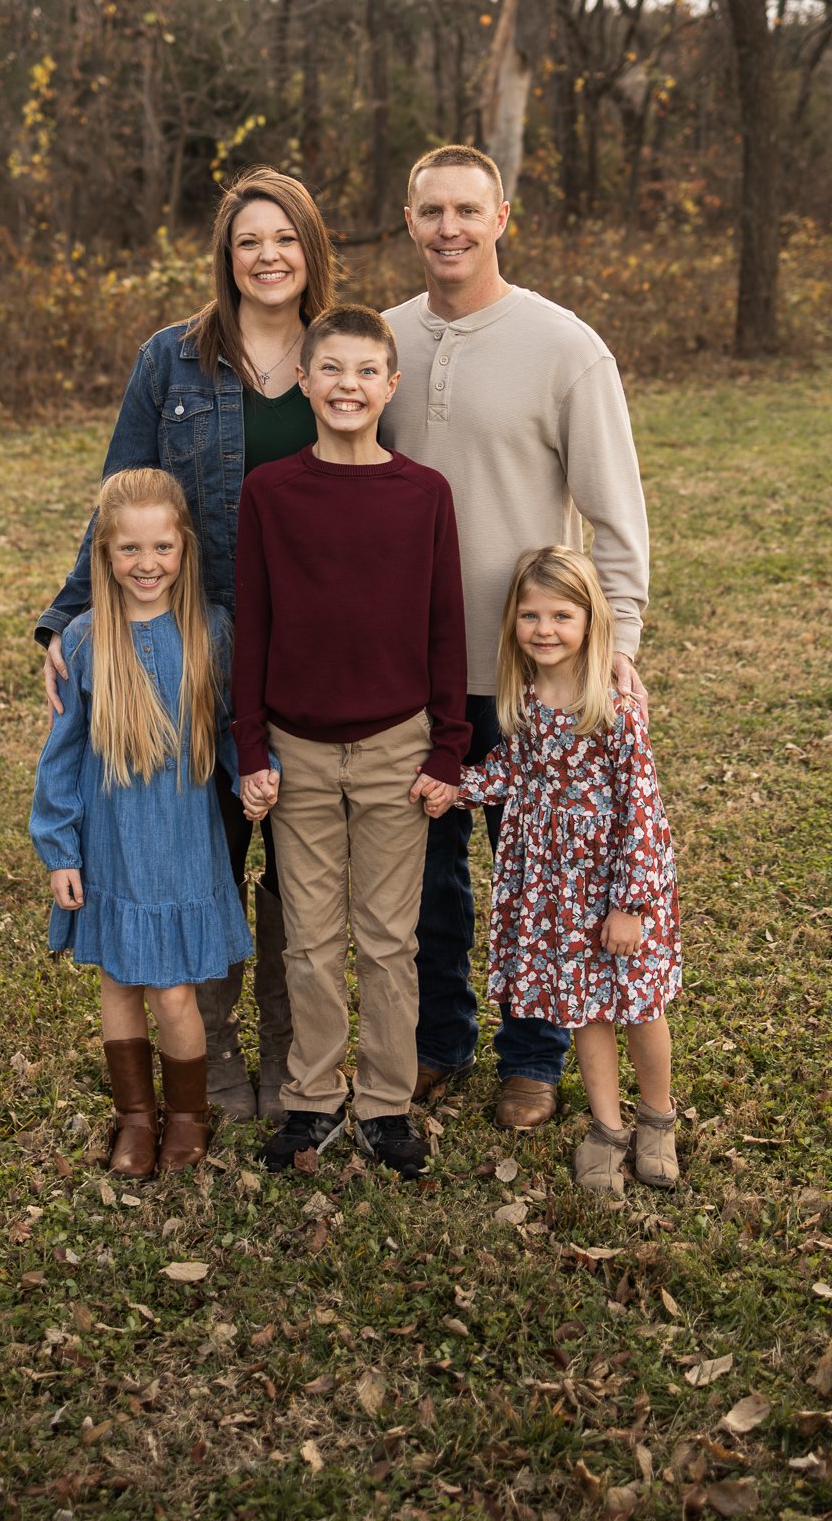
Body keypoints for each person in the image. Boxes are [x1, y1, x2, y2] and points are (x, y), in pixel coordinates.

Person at [36, 168, 337, 1123]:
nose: (267, 256)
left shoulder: (344, 355)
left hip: (311, 653)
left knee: (298, 865)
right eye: (248, 241)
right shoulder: (169, 360)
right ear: (225, 256)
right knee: (200, 847)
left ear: (310, 249)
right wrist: (65, 622)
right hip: (193, 650)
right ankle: (209, 1053)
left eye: (284, 238)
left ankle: (295, 1055)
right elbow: (120, 500)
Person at [383, 145, 650, 1130]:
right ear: (409, 220)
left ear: (502, 217)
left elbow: (615, 513)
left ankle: (532, 1058)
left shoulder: (563, 347)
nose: (448, 228)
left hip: (531, 673)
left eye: (468, 209)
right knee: (428, 877)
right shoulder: (382, 341)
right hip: (411, 670)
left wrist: (617, 644)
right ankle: (438, 1040)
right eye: (431, 210)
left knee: (541, 877)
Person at [232, 305, 469, 1179]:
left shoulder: (423, 494)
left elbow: (445, 629)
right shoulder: (271, 493)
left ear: (390, 386)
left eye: (367, 371)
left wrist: (446, 749)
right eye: (331, 369)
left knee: (387, 939)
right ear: (304, 381)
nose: (348, 386)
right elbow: (252, 626)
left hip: (395, 747)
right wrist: (250, 748)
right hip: (294, 748)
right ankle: (312, 1098)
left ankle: (384, 1104)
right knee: (308, 939)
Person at [30, 468, 256, 1178]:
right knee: (120, 984)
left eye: (161, 547)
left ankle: (187, 1115)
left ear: (185, 546)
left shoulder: (211, 631)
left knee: (174, 990)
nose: (147, 563)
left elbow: (231, 727)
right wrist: (60, 850)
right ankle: (134, 1116)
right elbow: (61, 756)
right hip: (110, 845)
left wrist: (255, 772)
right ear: (104, 554)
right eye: (129, 548)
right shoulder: (84, 641)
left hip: (184, 844)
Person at [458, 547, 681, 1193]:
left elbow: (642, 813)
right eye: (530, 615)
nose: (544, 629)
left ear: (590, 621)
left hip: (615, 888)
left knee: (640, 1006)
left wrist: (630, 907)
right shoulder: (525, 698)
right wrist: (455, 787)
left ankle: (657, 1120)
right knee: (582, 1008)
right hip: (557, 889)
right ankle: (606, 1129)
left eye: (561, 615)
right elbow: (514, 772)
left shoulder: (613, 706)